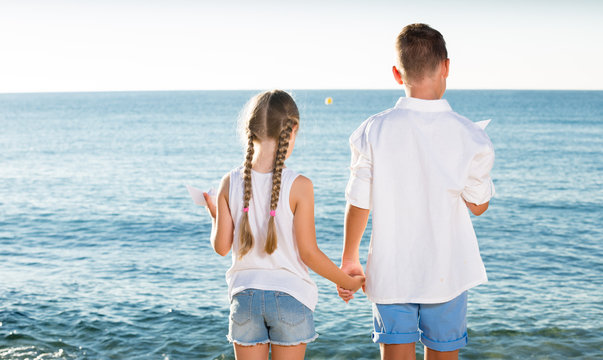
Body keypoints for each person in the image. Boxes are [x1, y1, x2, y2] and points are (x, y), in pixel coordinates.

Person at [338, 24, 495, 360]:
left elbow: (358, 203)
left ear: (397, 73)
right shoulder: (471, 136)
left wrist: (350, 259)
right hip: (446, 272)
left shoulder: (372, 130)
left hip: (390, 271)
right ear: (446, 67)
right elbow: (479, 205)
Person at [203, 90, 365, 360]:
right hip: (291, 298)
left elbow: (221, 248)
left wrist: (215, 216)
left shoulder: (229, 182)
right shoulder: (300, 186)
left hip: (245, 300)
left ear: (249, 132)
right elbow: (309, 254)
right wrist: (347, 281)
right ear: (292, 130)